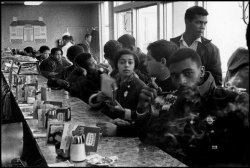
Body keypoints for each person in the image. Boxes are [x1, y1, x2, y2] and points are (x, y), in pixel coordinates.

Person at [135, 48, 249, 166]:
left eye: (188, 73)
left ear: (202, 71)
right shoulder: (172, 100)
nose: (182, 81)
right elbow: (151, 138)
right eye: (175, 76)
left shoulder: (230, 100)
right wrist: (143, 108)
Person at [94, 40, 178, 137]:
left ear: (163, 62)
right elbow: (148, 118)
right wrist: (126, 116)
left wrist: (119, 130)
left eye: (149, 59)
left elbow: (156, 128)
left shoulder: (172, 91)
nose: (145, 63)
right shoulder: (156, 84)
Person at [170, 6, 222, 86]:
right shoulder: (171, 45)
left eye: (205, 23)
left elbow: (216, 83)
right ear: (187, 22)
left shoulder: (212, 50)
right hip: (174, 95)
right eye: (199, 22)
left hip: (201, 96)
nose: (203, 27)